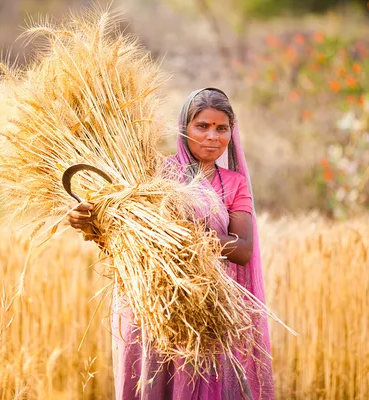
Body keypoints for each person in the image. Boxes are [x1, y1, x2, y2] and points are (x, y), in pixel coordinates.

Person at [67, 88, 274, 399]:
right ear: (184, 129)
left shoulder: (234, 184)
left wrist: (181, 234)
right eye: (202, 126)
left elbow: (243, 250)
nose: (212, 137)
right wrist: (88, 222)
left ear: (232, 132)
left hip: (206, 307)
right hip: (151, 307)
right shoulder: (154, 175)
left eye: (221, 128)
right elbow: (124, 236)